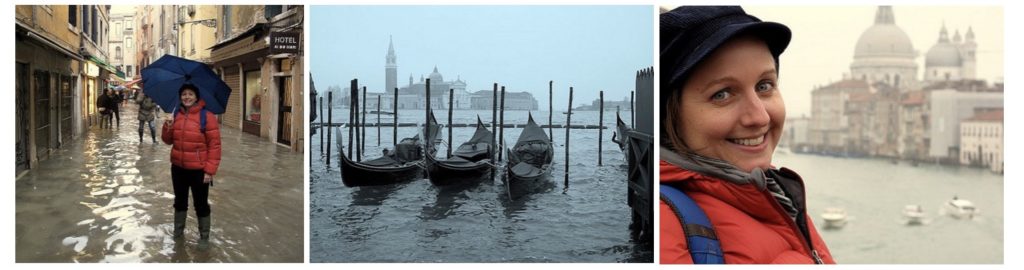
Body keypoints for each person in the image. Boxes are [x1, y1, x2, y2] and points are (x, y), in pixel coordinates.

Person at [660, 6, 834, 264]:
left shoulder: (773, 195)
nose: (760, 117)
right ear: (669, 115)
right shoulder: (667, 222)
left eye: (764, 86)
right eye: (722, 94)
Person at [161, 84, 222, 250]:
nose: (186, 97)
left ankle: (204, 237)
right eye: (184, 94)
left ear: (196, 97)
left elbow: (215, 145)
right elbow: (167, 141)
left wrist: (210, 171)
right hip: (178, 168)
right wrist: (168, 125)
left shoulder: (207, 116)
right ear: (180, 97)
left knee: (200, 203)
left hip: (199, 170)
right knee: (180, 202)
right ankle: (178, 233)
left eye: (190, 94)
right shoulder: (175, 114)